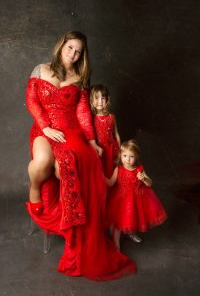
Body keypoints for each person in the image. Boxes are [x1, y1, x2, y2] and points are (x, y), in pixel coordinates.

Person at [26, 31, 136, 280]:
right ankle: (34, 191)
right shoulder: (40, 69)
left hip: (70, 132)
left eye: (78, 51)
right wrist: (46, 127)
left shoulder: (80, 77)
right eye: (70, 48)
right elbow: (32, 100)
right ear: (62, 45)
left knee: (74, 167)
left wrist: (91, 142)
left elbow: (84, 112)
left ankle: (72, 227)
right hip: (45, 130)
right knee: (43, 162)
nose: (73, 54)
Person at [106, 139, 167, 250]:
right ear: (121, 155)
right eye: (124, 156)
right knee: (119, 223)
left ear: (136, 157)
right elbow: (110, 183)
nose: (127, 160)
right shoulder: (118, 169)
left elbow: (149, 184)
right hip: (121, 200)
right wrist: (99, 175)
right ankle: (116, 244)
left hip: (136, 199)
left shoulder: (139, 170)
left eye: (131, 157)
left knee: (133, 218)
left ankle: (131, 233)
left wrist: (144, 179)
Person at [90, 84, 120, 178]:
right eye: (97, 98)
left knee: (111, 173)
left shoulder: (111, 117)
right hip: (99, 150)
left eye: (103, 98)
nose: (100, 101)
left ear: (107, 99)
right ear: (92, 99)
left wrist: (119, 149)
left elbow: (116, 134)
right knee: (101, 174)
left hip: (112, 150)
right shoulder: (91, 118)